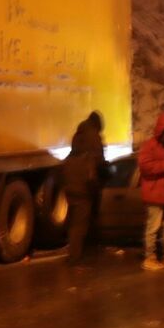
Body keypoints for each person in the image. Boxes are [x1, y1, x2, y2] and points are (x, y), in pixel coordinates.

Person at [62, 111, 107, 265]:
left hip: (70, 181)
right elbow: (99, 161)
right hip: (84, 185)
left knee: (74, 220)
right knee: (81, 222)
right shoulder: (94, 136)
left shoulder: (78, 135)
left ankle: (74, 251)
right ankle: (76, 256)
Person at [138, 112, 164, 270]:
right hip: (155, 193)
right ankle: (150, 258)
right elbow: (145, 167)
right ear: (162, 129)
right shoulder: (149, 146)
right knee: (153, 227)